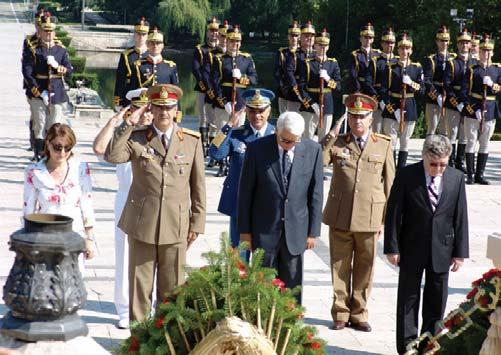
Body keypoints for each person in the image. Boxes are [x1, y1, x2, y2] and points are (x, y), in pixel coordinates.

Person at [104, 84, 206, 322]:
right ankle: (138, 341)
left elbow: (198, 186)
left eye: (169, 107)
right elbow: (112, 155)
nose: (164, 113)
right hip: (142, 225)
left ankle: (165, 341)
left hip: (177, 225)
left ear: (176, 109)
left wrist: (197, 223)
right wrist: (129, 124)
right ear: (151, 107)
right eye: (159, 107)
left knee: (172, 291)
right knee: (140, 290)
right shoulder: (138, 138)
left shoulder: (191, 141)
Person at [384, 135, 469, 354]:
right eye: (433, 164)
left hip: (442, 248)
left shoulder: (456, 178)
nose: (439, 169)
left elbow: (461, 216)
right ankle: (407, 347)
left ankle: (429, 345)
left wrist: (460, 253)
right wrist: (392, 247)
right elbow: (394, 213)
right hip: (411, 246)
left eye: (443, 164)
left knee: (436, 299)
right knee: (408, 299)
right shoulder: (406, 175)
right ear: (423, 157)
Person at [321, 93, 395, 332]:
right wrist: (331, 135)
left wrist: (387, 220)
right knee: (339, 266)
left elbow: (389, 185)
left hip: (370, 217)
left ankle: (359, 312)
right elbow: (319, 161)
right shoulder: (338, 142)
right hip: (341, 215)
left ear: (370, 118)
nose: (357, 121)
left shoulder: (383, 144)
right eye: (353, 117)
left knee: (366, 267)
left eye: (362, 117)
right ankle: (341, 312)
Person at [238, 111, 323, 304]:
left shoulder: (313, 150)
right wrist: (245, 232)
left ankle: (290, 326)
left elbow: (316, 193)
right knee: (263, 285)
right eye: (285, 140)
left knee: (292, 286)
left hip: (295, 231)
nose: (289, 145)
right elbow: (245, 193)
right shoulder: (257, 149)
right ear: (276, 131)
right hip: (265, 230)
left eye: (294, 141)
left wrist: (312, 232)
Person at [93, 88, 152, 329]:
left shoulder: (153, 133)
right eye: (140, 108)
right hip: (126, 199)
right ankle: (124, 309)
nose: (145, 114)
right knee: (125, 256)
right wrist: (116, 121)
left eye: (148, 108)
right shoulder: (123, 136)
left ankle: (151, 304)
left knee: (151, 254)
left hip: (152, 200)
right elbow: (99, 148)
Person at [209, 88, 275, 251]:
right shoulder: (236, 135)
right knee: (239, 254)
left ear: (269, 111)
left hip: (268, 203)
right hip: (240, 202)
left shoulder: (277, 135)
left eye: (261, 111)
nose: (257, 115)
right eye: (252, 111)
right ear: (246, 111)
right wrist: (229, 125)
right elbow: (215, 152)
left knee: (264, 257)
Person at [23, 123, 96, 270]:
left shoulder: (80, 169)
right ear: (48, 144)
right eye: (58, 147)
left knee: (73, 286)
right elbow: (28, 208)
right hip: (45, 236)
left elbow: (86, 205)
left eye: (68, 148)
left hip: (74, 235)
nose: (62, 152)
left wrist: (89, 238)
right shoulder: (34, 172)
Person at [22, 13, 73, 161]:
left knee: (55, 126)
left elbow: (69, 70)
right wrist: (38, 91)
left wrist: (61, 68)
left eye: (51, 31)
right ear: (41, 32)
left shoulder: (60, 50)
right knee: (39, 124)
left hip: (56, 93)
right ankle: (39, 155)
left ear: (54, 32)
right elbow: (27, 72)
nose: (48, 33)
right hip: (39, 91)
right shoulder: (34, 50)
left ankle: (51, 155)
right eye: (46, 30)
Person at [209, 25, 258, 176]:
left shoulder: (246, 59)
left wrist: (242, 78)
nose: (235, 44)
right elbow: (214, 83)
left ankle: (235, 162)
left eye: (237, 41)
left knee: (239, 133)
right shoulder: (219, 59)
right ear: (227, 41)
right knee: (222, 132)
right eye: (232, 41)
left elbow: (254, 79)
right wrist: (224, 102)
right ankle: (222, 163)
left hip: (241, 103)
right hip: (223, 102)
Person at [460, 34, 500, 185]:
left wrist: (492, 86)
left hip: (490, 109)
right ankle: (470, 174)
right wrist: (472, 109)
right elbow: (464, 92)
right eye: (483, 51)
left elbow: (500, 89)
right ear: (479, 52)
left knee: (485, 143)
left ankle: (480, 174)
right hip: (473, 109)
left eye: (489, 51)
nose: (486, 54)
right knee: (471, 142)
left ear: (493, 53)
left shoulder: (497, 70)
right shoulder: (472, 70)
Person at [380, 32, 424, 168]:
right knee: (391, 141)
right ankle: (391, 169)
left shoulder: (416, 68)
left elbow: (422, 90)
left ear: (411, 50)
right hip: (393, 106)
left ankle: (402, 170)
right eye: (402, 48)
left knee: (405, 141)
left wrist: (411, 83)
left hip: (409, 106)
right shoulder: (390, 68)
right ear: (398, 50)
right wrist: (393, 110)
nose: (404, 51)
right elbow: (383, 91)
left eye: (407, 48)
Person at [298, 28, 341, 140]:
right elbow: (301, 87)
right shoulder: (307, 64)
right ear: (315, 46)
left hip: (327, 104)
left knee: (324, 140)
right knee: (307, 138)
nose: (322, 47)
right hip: (310, 105)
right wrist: (312, 104)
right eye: (320, 44)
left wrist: (328, 79)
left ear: (328, 47)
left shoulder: (333, 63)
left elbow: (338, 86)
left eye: (325, 45)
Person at [443, 28, 476, 172]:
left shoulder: (474, 63)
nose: (464, 45)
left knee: (464, 135)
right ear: (457, 45)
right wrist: (457, 102)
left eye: (467, 43)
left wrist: (467, 104)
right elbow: (447, 84)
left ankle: (459, 162)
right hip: (453, 101)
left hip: (468, 102)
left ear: (470, 45)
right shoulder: (452, 63)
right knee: (453, 133)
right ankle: (450, 161)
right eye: (462, 43)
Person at [192, 17, 219, 155]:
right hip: (203, 88)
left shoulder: (222, 50)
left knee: (216, 119)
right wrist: (205, 87)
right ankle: (204, 146)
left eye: (216, 30)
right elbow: (196, 69)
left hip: (218, 89)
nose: (214, 33)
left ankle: (214, 146)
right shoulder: (200, 49)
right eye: (211, 31)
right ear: (207, 32)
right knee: (203, 117)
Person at [422, 25, 456, 135]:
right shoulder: (432, 59)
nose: (444, 43)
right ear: (437, 41)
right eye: (441, 40)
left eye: (446, 40)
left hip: (449, 97)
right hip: (434, 97)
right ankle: (428, 151)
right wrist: (437, 96)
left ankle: (443, 152)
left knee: (445, 130)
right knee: (432, 128)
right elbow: (427, 80)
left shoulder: (454, 58)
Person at [113, 17, 149, 109]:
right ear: (134, 35)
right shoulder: (126, 55)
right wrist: (118, 100)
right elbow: (120, 79)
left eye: (143, 34)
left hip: (148, 100)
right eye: (138, 34)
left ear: (147, 36)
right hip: (129, 97)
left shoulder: (152, 55)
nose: (141, 37)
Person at [366, 27, 398, 133]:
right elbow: (369, 82)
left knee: (390, 133)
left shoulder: (398, 61)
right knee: (376, 131)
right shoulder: (375, 61)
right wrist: (378, 99)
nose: (390, 45)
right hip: (378, 101)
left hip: (393, 102)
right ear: (382, 44)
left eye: (392, 42)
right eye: (387, 42)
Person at [22, 8, 45, 153]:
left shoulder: (54, 43)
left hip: (49, 89)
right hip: (33, 86)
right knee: (36, 117)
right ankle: (35, 146)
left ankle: (43, 149)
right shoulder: (29, 41)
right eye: (38, 25)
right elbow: (26, 65)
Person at [284, 21, 316, 113]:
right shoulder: (294, 55)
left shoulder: (317, 55)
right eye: (306, 36)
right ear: (300, 37)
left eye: (312, 36)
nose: (309, 38)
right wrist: (300, 94)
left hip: (313, 96)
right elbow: (289, 74)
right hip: (296, 96)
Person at [274, 21, 300, 113]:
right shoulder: (282, 52)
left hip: (300, 90)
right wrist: (282, 88)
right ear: (288, 36)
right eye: (292, 35)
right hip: (285, 91)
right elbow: (277, 73)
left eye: (296, 35)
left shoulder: (303, 53)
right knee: (284, 119)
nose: (294, 38)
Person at [347, 23, 380, 94]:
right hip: (360, 89)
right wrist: (357, 91)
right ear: (360, 38)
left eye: (370, 37)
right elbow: (353, 76)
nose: (368, 40)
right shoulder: (355, 55)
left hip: (375, 90)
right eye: (365, 37)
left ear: (373, 40)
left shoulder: (378, 54)